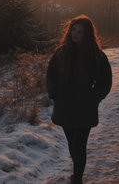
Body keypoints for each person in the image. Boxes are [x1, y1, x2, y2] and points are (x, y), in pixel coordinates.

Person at [46, 15, 112, 184]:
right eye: (73, 30)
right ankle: (77, 173)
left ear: (87, 35)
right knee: (72, 143)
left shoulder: (96, 56)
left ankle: (78, 179)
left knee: (79, 145)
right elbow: (51, 74)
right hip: (65, 107)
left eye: (80, 32)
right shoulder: (61, 53)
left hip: (84, 108)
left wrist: (92, 98)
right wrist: (54, 93)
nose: (75, 34)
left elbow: (105, 82)